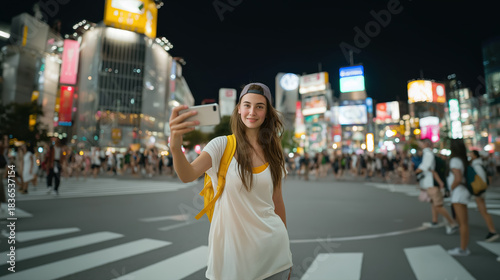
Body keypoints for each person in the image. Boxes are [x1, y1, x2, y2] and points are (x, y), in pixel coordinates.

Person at [169, 82, 292, 280]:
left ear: (267, 113)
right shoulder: (221, 145)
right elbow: (187, 175)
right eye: (247, 105)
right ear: (239, 109)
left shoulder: (274, 153)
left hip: (274, 256)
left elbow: (277, 203)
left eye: (260, 106)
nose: (252, 111)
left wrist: (286, 250)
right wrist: (175, 147)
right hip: (231, 261)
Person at [415, 139, 458, 234]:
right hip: (432, 183)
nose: (420, 145)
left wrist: (417, 171)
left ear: (426, 144)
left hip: (432, 183)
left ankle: (452, 223)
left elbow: (426, 167)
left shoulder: (428, 153)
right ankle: (435, 221)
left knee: (438, 205)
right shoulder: (430, 154)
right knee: (434, 203)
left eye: (421, 143)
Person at [447, 139, 472, 256]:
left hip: (458, 192)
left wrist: (451, 188)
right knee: (464, 223)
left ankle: (463, 249)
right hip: (463, 191)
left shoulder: (454, 160)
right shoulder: (462, 159)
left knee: (462, 223)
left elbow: (457, 178)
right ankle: (464, 247)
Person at [470, 150, 499, 242]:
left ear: (475, 155)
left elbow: (481, 178)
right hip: (480, 191)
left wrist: (479, 189)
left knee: (484, 211)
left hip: (479, 191)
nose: (470, 155)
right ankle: (492, 231)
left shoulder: (476, 165)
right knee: (483, 211)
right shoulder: (478, 163)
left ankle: (492, 231)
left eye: (471, 154)